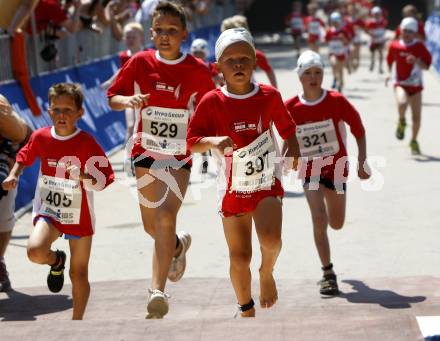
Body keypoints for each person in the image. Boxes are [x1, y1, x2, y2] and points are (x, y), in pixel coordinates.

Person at [107, 1, 215, 319]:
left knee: (166, 217)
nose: (165, 36)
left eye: (172, 31)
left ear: (183, 34)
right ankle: (178, 247)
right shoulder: (140, 63)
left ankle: (157, 291)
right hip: (144, 152)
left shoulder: (196, 69)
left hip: (178, 154)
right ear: (151, 33)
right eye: (159, 31)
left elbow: (212, 105)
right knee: (152, 225)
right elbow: (112, 97)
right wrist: (129, 100)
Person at [187, 28, 300, 317]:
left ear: (254, 62)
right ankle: (246, 309)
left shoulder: (269, 96)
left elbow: (288, 130)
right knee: (240, 256)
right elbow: (191, 141)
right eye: (230, 60)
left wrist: (294, 148)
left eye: (244, 59)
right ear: (218, 67)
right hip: (232, 187)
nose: (238, 65)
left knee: (271, 240)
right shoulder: (211, 102)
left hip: (265, 181)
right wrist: (212, 141)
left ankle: (267, 272)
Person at [1, 83, 114, 319]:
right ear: (49, 111)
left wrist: (83, 176)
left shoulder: (86, 143)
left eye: (68, 110)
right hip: (49, 210)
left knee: (79, 273)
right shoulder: (42, 136)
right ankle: (56, 260)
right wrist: (14, 174)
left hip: (78, 213)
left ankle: (77, 323)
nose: (62, 115)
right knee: (34, 251)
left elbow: (105, 177)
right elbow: (24, 155)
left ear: (80, 113)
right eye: (57, 110)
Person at [284, 50, 370, 296]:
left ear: (324, 74)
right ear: (300, 76)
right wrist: (283, 162)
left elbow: (358, 127)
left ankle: (330, 263)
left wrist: (363, 159)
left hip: (337, 168)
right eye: (308, 73)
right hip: (310, 170)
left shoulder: (335, 100)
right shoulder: (291, 106)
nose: (313, 77)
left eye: (318, 72)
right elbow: (286, 135)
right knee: (319, 219)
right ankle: (328, 272)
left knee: (337, 223)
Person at [0, 94, 32, 292]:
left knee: (3, 217)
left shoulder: (2, 109)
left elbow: (25, 136)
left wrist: (14, 167)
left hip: (5, 160)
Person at [386, 17, 432, 155]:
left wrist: (417, 61)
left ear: (415, 33)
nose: (406, 33)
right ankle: (401, 121)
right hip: (401, 83)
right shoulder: (394, 45)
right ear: (400, 30)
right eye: (404, 30)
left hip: (416, 86)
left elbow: (427, 66)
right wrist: (389, 74)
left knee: (416, 118)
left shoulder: (419, 47)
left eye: (410, 31)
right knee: (402, 104)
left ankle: (413, 140)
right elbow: (389, 61)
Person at [221, 15, 278, 88]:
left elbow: (268, 70)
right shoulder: (220, 57)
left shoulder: (255, 54)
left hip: (251, 94)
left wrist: (275, 90)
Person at [325, 11, 350, 92]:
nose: (335, 23)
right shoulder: (329, 31)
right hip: (332, 53)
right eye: (333, 21)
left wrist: (343, 39)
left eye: (336, 21)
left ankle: (340, 85)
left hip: (341, 53)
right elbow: (326, 41)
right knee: (334, 64)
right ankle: (336, 79)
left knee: (340, 70)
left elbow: (347, 43)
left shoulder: (343, 31)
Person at [365, 6, 387, 74]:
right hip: (373, 41)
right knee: (372, 53)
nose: (376, 15)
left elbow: (384, 28)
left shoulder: (383, 21)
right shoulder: (370, 22)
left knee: (380, 53)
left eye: (378, 13)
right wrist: (371, 34)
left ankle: (380, 67)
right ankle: (372, 62)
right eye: (375, 14)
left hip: (381, 40)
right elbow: (366, 30)